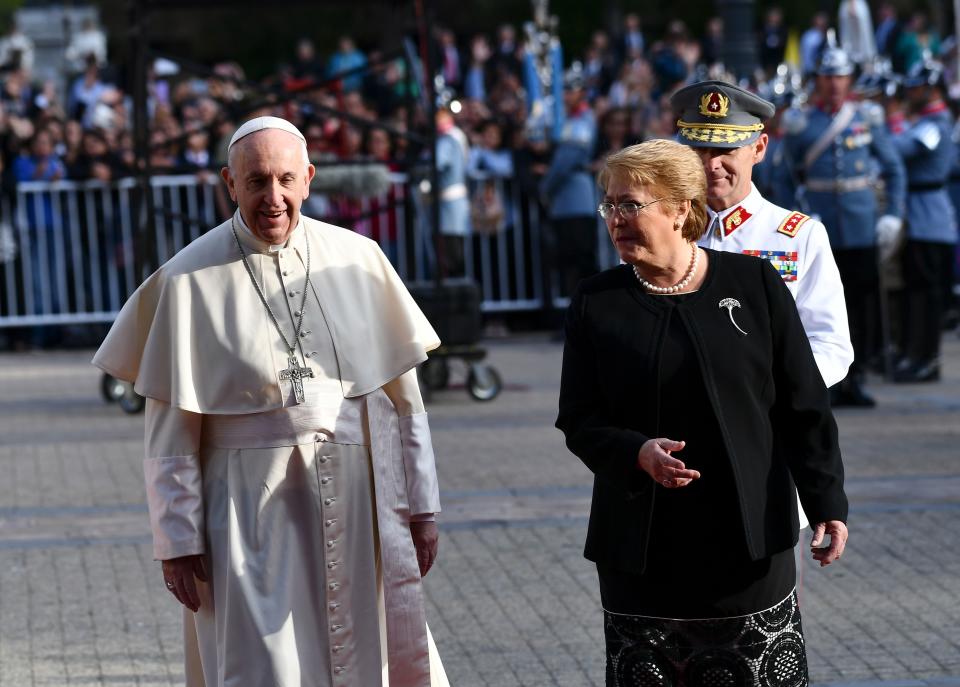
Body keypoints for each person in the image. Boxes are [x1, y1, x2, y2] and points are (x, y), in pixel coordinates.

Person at [93, 116, 449, 687]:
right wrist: (178, 540)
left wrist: (423, 507)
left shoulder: (358, 258)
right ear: (229, 185)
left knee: (364, 655)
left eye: (286, 179)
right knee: (266, 666)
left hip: (358, 505)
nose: (274, 197)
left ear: (308, 179)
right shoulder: (188, 278)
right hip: (245, 513)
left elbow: (404, 402)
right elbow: (171, 429)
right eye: (257, 181)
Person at [556, 139, 849, 684]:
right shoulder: (597, 301)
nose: (615, 219)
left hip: (746, 538)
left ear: (680, 209)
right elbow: (579, 417)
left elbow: (802, 403)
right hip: (642, 545)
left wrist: (827, 499)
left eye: (630, 205)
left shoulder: (754, 283)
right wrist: (634, 452)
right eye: (610, 206)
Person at [672, 80, 853, 554]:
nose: (712, 164)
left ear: (759, 148)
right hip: (679, 448)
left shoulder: (797, 237)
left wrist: (771, 386)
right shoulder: (664, 232)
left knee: (760, 605)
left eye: (728, 149)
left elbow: (832, 346)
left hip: (765, 441)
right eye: (698, 148)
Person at [782, 47, 906, 406]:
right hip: (821, 226)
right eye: (827, 76)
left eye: (839, 76)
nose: (834, 84)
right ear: (817, 80)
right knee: (819, 306)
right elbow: (786, 175)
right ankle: (828, 379)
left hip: (860, 224)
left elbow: (894, 168)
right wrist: (798, 213)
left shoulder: (866, 117)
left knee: (862, 303)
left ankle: (859, 374)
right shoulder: (802, 122)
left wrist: (892, 214)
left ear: (848, 79)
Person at [892, 61, 957, 382]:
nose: (911, 93)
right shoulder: (926, 121)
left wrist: (887, 124)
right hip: (918, 214)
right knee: (914, 291)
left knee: (927, 295)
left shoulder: (936, 123)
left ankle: (927, 357)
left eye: (917, 88)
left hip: (929, 217)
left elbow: (901, 148)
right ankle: (913, 352)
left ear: (931, 89)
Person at [540, 66, 598, 299]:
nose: (565, 95)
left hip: (575, 198)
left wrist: (546, 187)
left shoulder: (583, 119)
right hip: (564, 201)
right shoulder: (564, 119)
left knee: (581, 260)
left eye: (570, 90)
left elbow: (566, 161)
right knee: (566, 261)